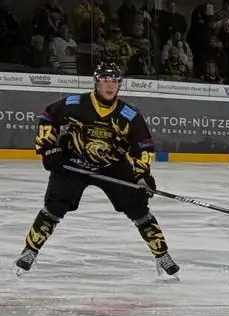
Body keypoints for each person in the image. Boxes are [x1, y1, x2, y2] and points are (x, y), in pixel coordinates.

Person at [15, 61, 178, 277]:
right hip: (74, 161)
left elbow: (143, 146)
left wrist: (142, 176)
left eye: (114, 81)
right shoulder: (75, 103)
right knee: (54, 207)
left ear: (120, 84)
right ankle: (29, 251)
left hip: (113, 165)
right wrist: (48, 149)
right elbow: (48, 116)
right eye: (104, 80)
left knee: (138, 207)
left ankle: (162, 255)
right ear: (96, 82)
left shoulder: (130, 114)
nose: (110, 86)